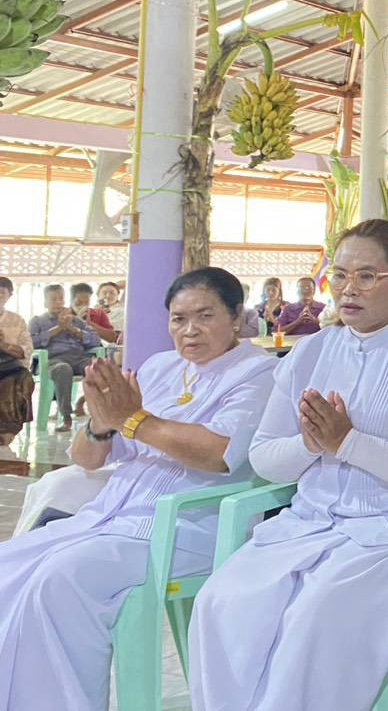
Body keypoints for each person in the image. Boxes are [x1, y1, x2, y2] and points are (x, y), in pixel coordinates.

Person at [188, 220, 388, 711]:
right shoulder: (311, 352)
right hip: (311, 525)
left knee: (315, 619)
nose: (348, 289)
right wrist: (310, 444)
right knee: (223, 602)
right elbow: (265, 455)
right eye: (339, 276)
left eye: (367, 276)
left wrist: (348, 442)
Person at [0, 267, 274, 708]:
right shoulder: (160, 367)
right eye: (178, 319)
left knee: (58, 580)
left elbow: (219, 453)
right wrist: (102, 425)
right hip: (112, 517)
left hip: (187, 529)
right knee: (7, 568)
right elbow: (86, 458)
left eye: (204, 316)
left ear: (236, 315)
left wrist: (135, 420)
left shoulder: (258, 374)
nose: (189, 331)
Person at [29, 283, 101, 431]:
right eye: (53, 299)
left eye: (61, 299)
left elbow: (96, 340)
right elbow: (30, 343)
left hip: (78, 357)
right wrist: (58, 329)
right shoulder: (37, 321)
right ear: (45, 302)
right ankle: (66, 416)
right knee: (63, 369)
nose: (58, 302)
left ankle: (97, 412)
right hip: (51, 360)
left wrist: (73, 330)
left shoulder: (75, 321)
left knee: (98, 367)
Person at [0, 277, 33, 448]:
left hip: (10, 367)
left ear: (9, 295)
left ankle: (7, 431)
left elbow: (26, 349)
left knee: (21, 379)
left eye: (2, 292)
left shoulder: (16, 320)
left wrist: (4, 345)